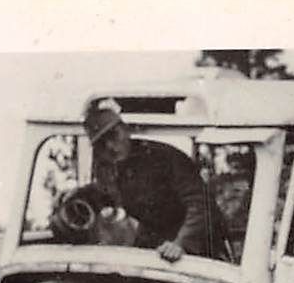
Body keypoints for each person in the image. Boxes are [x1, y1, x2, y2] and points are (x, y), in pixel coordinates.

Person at [84, 103, 216, 261]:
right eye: (101, 144)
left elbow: (200, 203)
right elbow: (103, 196)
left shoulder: (164, 157)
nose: (110, 147)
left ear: (126, 130)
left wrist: (181, 243)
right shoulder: (107, 170)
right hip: (153, 246)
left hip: (196, 247)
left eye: (113, 135)